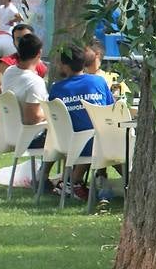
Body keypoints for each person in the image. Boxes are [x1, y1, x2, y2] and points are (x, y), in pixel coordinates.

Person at [47, 45, 116, 199]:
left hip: (68, 144)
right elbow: (112, 109)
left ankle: (71, 182)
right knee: (118, 143)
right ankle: (128, 185)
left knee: (96, 136)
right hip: (99, 143)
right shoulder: (98, 82)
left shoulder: (56, 89)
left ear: (64, 65)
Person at [0, 33, 49, 149]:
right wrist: (50, 113)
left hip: (9, 133)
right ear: (39, 53)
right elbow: (32, 118)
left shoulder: (9, 72)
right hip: (29, 138)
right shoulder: (35, 82)